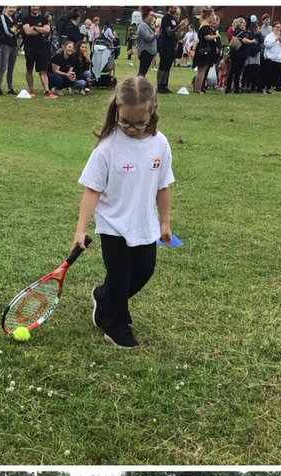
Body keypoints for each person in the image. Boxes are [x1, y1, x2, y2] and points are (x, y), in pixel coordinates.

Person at [76, 75, 175, 350]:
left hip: (145, 224)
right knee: (120, 277)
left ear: (152, 110)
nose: (131, 128)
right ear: (117, 109)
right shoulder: (107, 147)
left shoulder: (160, 144)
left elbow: (163, 185)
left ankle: (103, 296)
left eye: (139, 123)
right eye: (125, 122)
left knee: (143, 271)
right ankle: (114, 325)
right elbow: (92, 190)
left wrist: (165, 222)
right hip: (113, 225)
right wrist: (81, 229)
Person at [22, 6, 54, 97]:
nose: (35, 7)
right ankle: (31, 91)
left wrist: (35, 28)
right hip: (29, 47)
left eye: (36, 5)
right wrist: (41, 30)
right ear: (30, 7)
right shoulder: (26, 18)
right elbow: (28, 32)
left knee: (43, 70)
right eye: (33, 5)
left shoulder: (43, 18)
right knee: (29, 69)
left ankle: (47, 91)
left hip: (41, 47)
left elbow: (47, 30)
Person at [157, 7, 187, 93]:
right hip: (165, 46)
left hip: (172, 46)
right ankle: (160, 85)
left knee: (168, 67)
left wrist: (184, 27)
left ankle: (165, 85)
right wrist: (179, 26)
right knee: (162, 66)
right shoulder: (166, 18)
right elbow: (169, 32)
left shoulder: (173, 19)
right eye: (174, 8)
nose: (175, 10)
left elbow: (178, 36)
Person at [193, 8, 221, 93]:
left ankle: (199, 88)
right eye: (212, 15)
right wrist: (216, 36)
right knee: (201, 70)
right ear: (207, 16)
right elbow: (207, 37)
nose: (213, 17)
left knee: (203, 70)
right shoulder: (205, 26)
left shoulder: (207, 25)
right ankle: (198, 89)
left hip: (206, 49)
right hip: (204, 49)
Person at [0, 7, 19, 96]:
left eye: (14, 8)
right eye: (10, 7)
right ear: (6, 7)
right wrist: (13, 32)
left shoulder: (14, 18)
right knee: (2, 67)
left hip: (14, 45)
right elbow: (7, 31)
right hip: (5, 45)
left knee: (11, 68)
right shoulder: (2, 17)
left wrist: (14, 32)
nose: (12, 9)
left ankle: (10, 88)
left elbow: (17, 30)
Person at [136, 7, 158, 77]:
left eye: (153, 16)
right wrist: (155, 33)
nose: (152, 17)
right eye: (151, 15)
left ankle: (139, 84)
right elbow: (147, 38)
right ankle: (138, 85)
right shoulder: (143, 25)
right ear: (146, 15)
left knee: (143, 72)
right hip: (145, 51)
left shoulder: (147, 25)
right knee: (142, 72)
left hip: (149, 52)